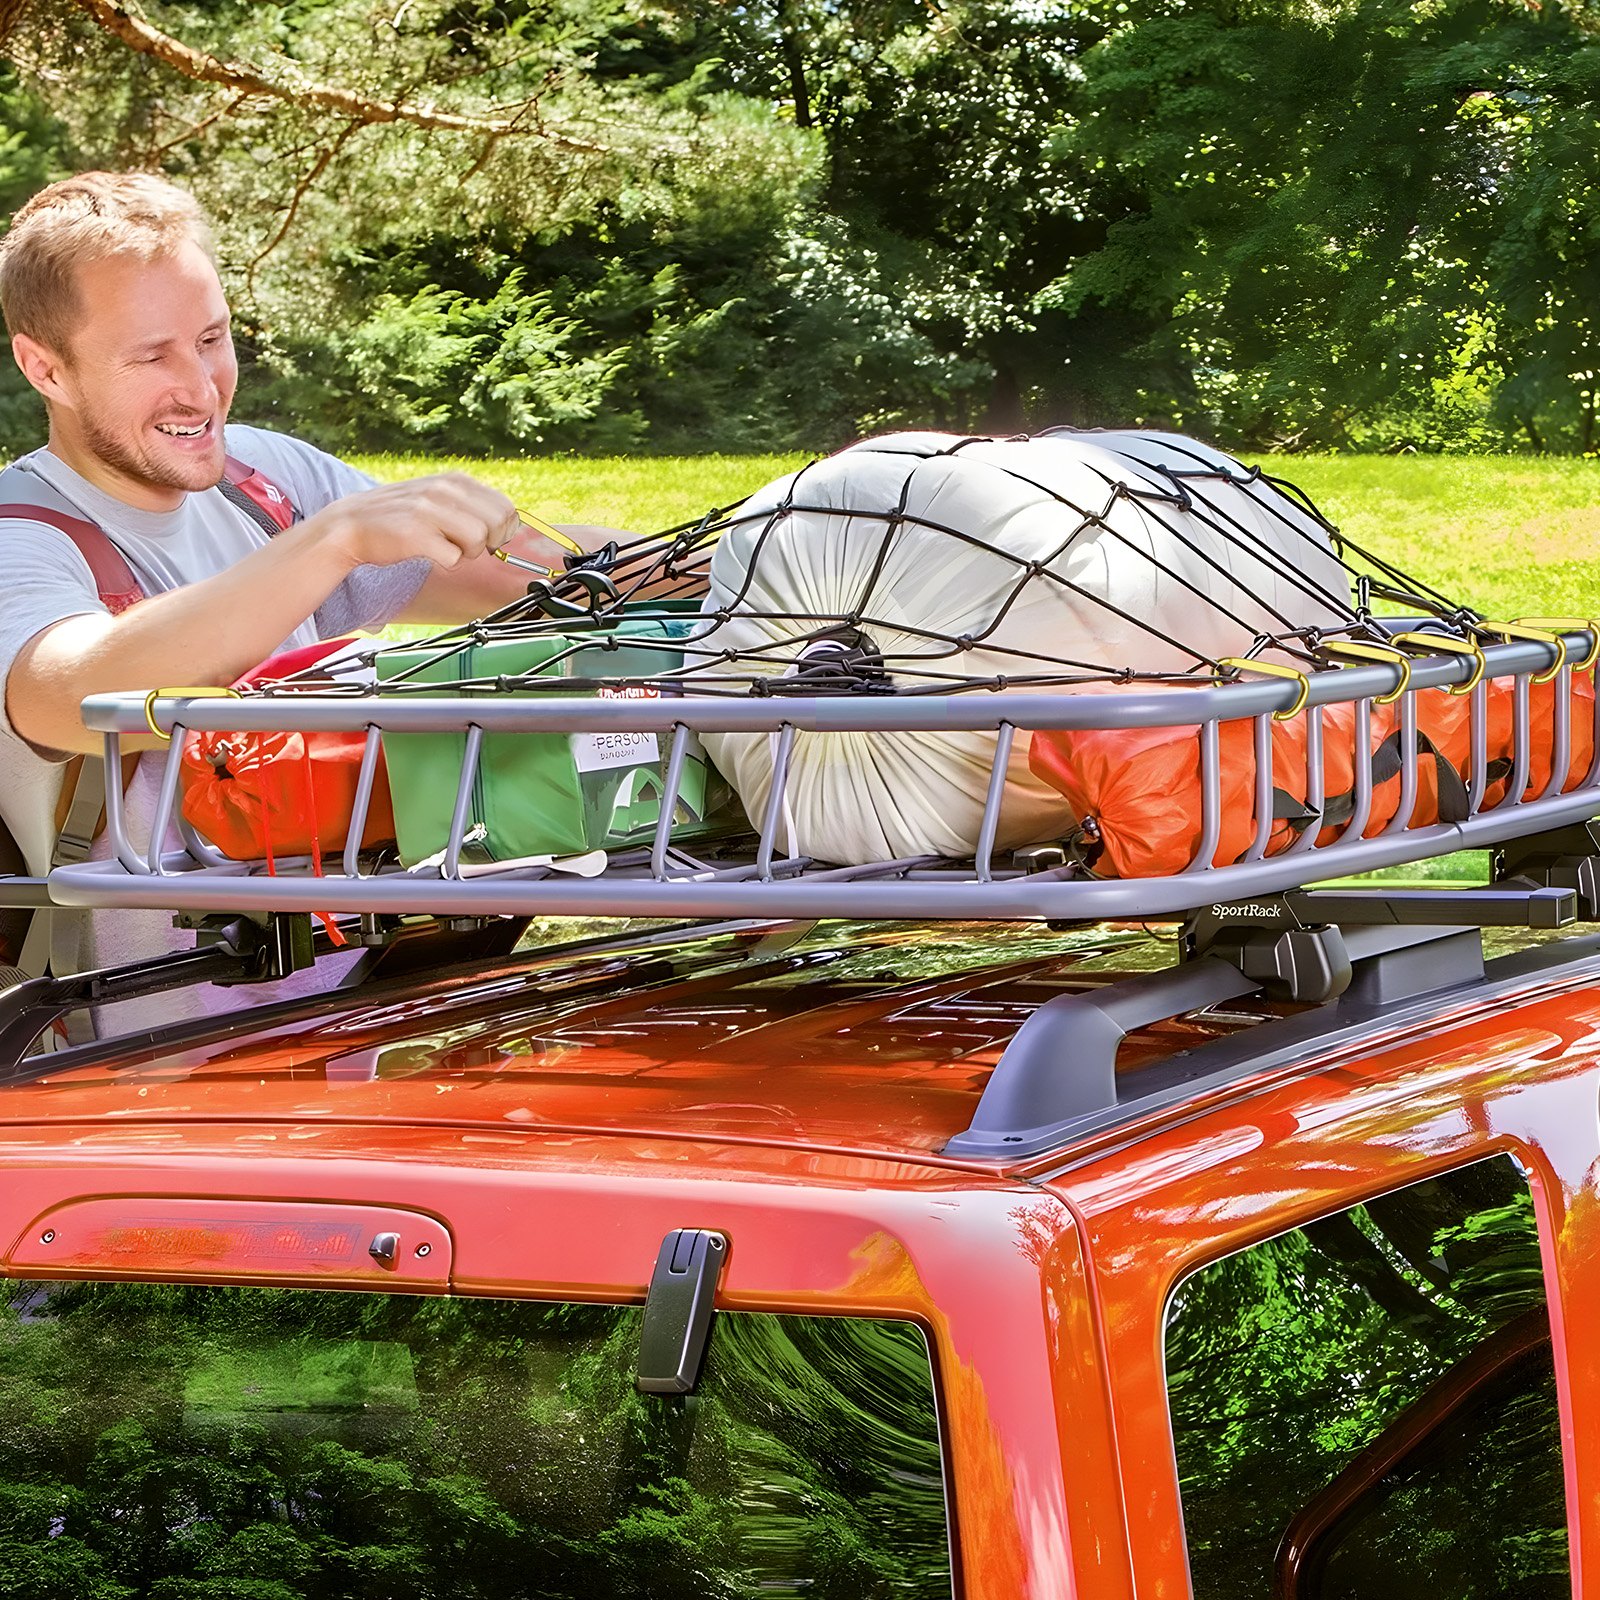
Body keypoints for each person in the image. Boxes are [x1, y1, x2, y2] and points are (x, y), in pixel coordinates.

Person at [0, 170, 609, 1031]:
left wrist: (756, 548)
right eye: (151, 356)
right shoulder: (21, 535)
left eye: (212, 339)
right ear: (45, 368)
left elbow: (534, 584)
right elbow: (67, 696)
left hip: (342, 1024)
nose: (202, 388)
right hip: (140, 1083)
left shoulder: (266, 479)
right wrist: (331, 542)